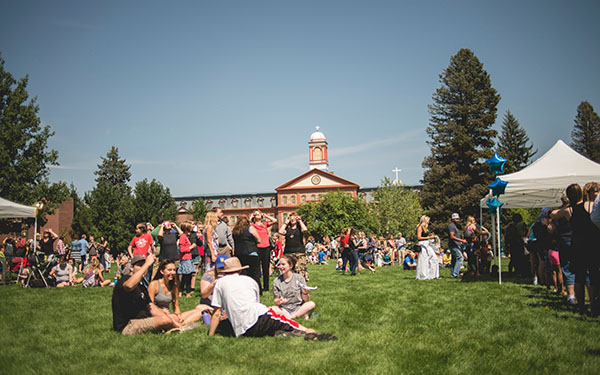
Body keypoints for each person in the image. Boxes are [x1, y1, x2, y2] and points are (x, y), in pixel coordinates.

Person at [208, 257, 337, 341]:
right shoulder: (250, 281)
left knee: (225, 325)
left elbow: (217, 313)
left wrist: (210, 336)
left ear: (225, 271)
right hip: (259, 318)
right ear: (240, 270)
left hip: (243, 331)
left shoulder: (220, 283)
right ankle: (310, 332)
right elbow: (256, 304)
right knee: (288, 322)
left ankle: (281, 333)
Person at [113, 253, 182, 335]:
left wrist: (167, 317)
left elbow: (151, 307)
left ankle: (167, 327)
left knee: (173, 317)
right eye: (140, 265)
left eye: (144, 265)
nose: (143, 268)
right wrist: (146, 264)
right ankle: (170, 327)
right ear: (131, 268)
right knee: (166, 320)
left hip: (143, 320)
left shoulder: (142, 286)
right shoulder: (125, 279)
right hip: (128, 325)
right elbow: (129, 286)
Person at [148, 259, 211, 326]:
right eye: (169, 270)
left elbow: (176, 306)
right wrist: (161, 311)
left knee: (199, 312)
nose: (172, 273)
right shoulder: (154, 284)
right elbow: (150, 306)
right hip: (157, 316)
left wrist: (179, 315)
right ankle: (179, 325)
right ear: (162, 271)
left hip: (170, 315)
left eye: (174, 270)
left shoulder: (173, 285)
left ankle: (179, 324)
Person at [272, 255, 316, 320]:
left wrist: (305, 293)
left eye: (283, 264)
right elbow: (276, 300)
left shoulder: (299, 278)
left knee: (311, 304)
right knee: (272, 308)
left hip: (298, 307)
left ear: (290, 266)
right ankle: (299, 315)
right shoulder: (276, 281)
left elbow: (305, 299)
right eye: (279, 264)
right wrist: (279, 301)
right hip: (284, 309)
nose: (280, 267)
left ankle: (291, 317)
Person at [250, 210, 277, 293]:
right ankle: (258, 287)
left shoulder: (264, 224)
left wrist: (266, 215)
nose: (258, 215)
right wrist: (251, 216)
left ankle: (266, 288)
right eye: (256, 214)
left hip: (266, 247)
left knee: (266, 267)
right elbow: (245, 224)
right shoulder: (252, 225)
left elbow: (275, 220)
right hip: (257, 247)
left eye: (259, 214)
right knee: (257, 268)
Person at [232, 216, 262, 291]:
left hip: (239, 253)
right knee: (254, 273)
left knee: (243, 273)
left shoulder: (235, 230)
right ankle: (257, 290)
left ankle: (244, 289)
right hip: (251, 253)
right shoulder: (250, 228)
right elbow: (259, 239)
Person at [279, 213, 309, 280]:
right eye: (291, 218)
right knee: (289, 270)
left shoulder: (299, 229)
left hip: (299, 252)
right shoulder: (287, 230)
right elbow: (280, 231)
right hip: (288, 252)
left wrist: (300, 220)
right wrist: (286, 222)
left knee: (300, 270)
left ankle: (301, 285)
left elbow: (305, 229)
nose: (292, 219)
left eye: (294, 217)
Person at [416, 215, 439, 280]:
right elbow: (419, 237)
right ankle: (422, 276)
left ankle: (433, 275)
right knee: (423, 260)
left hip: (427, 245)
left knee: (434, 259)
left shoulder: (425, 228)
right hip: (422, 245)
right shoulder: (419, 227)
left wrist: (430, 235)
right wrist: (429, 237)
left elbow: (424, 235)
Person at [178, 222, 196, 298]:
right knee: (186, 276)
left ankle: (186, 292)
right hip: (185, 259)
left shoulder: (185, 236)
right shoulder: (183, 237)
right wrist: (191, 247)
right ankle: (181, 291)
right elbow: (182, 249)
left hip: (188, 258)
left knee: (188, 276)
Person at [448, 213, 467, 278]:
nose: (457, 220)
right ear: (453, 219)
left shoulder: (455, 226)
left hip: (456, 244)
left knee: (454, 259)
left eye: (458, 219)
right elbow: (452, 236)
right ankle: (455, 274)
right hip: (453, 245)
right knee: (460, 258)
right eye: (456, 219)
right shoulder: (451, 226)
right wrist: (461, 240)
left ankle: (453, 273)